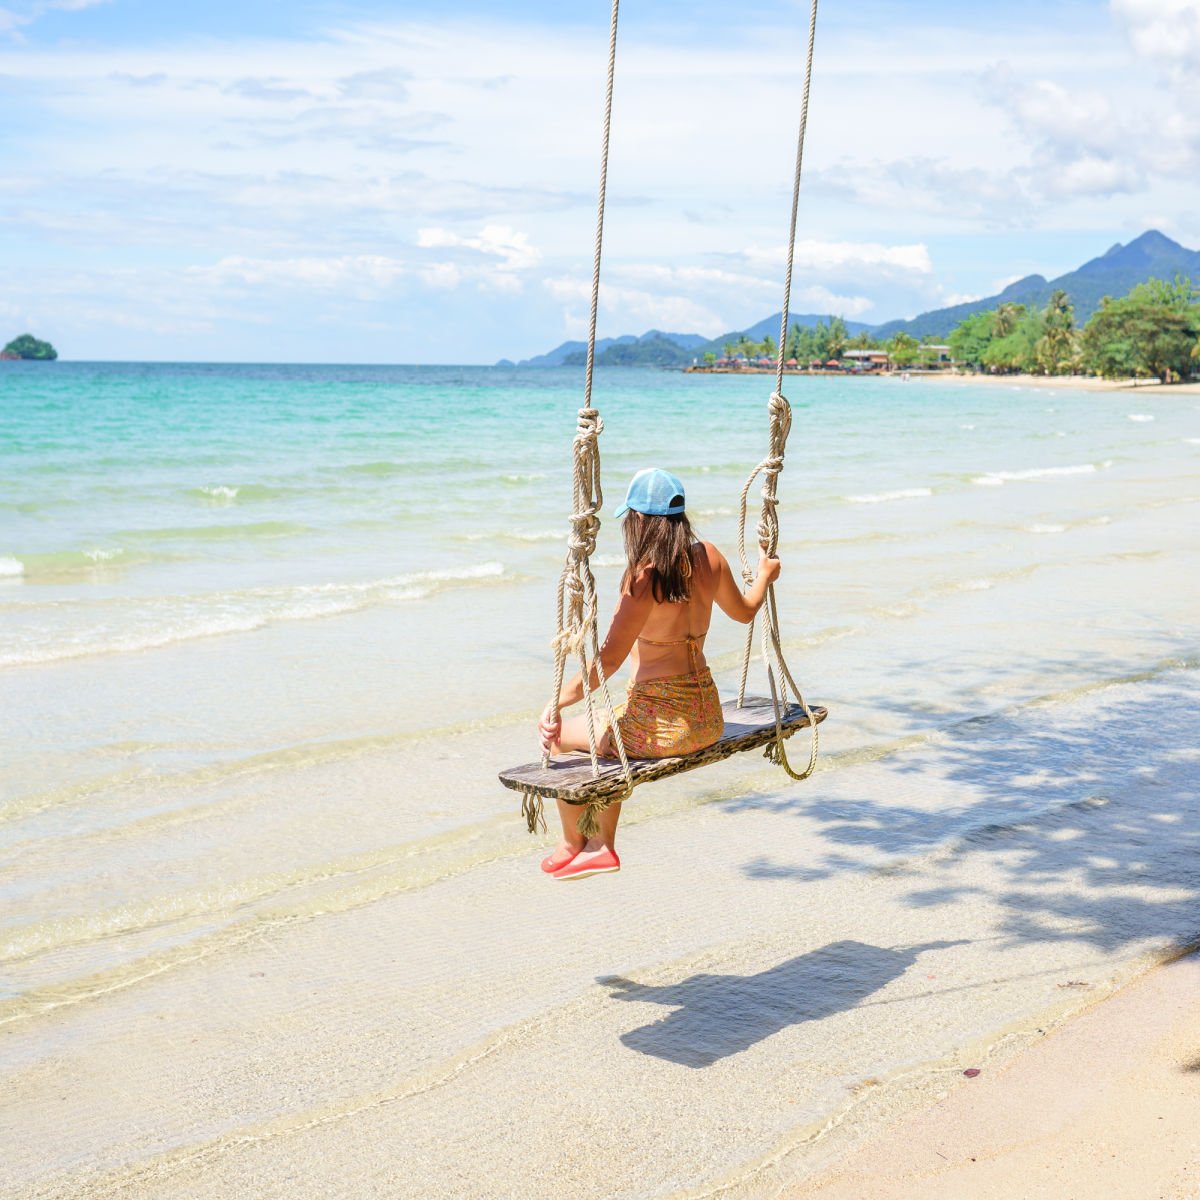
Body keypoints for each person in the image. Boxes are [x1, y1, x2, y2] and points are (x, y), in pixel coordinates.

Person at [537, 467, 781, 881]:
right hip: (707, 720)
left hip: (662, 730)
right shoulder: (709, 557)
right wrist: (765, 575)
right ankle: (586, 845)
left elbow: (607, 663)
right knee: (607, 724)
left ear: (638, 521)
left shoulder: (643, 581)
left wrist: (554, 703)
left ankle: (588, 844)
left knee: (561, 737)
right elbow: (745, 613)